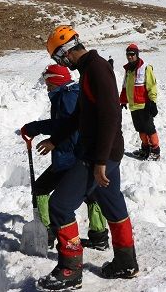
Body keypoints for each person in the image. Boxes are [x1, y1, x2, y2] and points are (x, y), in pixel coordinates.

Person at [35, 25, 139, 290]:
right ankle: (126, 261)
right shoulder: (88, 70)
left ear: (66, 51)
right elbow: (81, 116)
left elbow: (111, 116)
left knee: (60, 205)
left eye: (59, 59)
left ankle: (70, 269)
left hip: (97, 156)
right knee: (112, 203)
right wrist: (55, 139)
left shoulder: (96, 69)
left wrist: (100, 161)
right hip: (106, 154)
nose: (61, 64)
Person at [20, 64, 110, 250]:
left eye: (48, 83)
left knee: (41, 189)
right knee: (91, 194)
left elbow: (68, 126)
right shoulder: (70, 93)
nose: (47, 87)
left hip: (70, 155)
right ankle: (99, 235)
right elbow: (63, 124)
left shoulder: (67, 97)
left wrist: (47, 136)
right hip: (79, 154)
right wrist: (37, 128)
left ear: (56, 80)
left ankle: (46, 232)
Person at [119, 43, 160, 161]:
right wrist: (123, 100)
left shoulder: (145, 68)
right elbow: (125, 86)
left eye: (132, 54)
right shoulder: (128, 70)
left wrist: (152, 102)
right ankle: (145, 149)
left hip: (144, 105)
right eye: (128, 54)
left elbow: (152, 85)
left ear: (137, 55)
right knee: (140, 129)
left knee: (149, 129)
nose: (130, 56)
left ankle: (155, 151)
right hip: (133, 106)